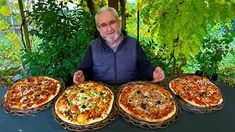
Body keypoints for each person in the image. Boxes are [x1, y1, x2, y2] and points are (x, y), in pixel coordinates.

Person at [73, 6, 164, 85]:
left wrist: (153, 73)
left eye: (112, 22)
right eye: (104, 25)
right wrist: (82, 75)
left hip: (130, 95)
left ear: (119, 22)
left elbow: (144, 66)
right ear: (98, 28)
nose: (109, 29)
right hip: (101, 96)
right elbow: (85, 69)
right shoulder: (93, 46)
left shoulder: (133, 44)